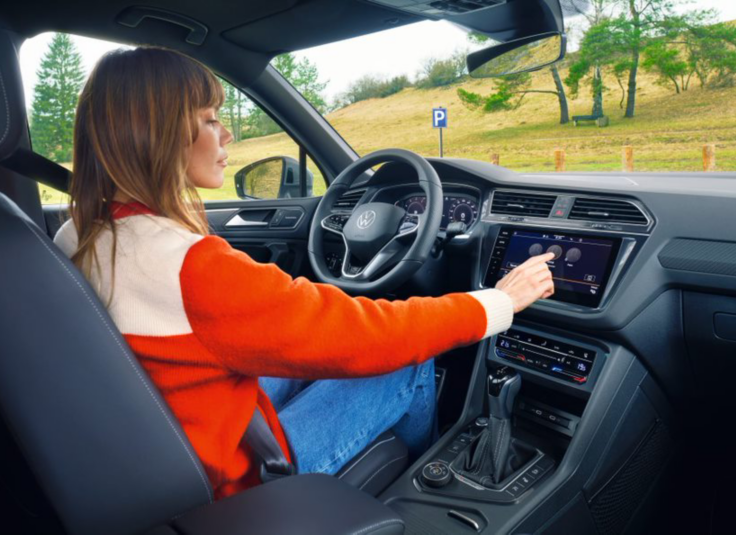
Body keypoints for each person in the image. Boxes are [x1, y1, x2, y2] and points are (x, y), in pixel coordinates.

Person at [53, 47, 555, 500]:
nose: (227, 134)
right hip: (236, 479)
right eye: (208, 120)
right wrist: (497, 304)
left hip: (168, 440)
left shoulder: (76, 237)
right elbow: (369, 336)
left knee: (312, 356)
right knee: (405, 363)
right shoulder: (190, 266)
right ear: (155, 136)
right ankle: (418, 490)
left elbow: (299, 326)